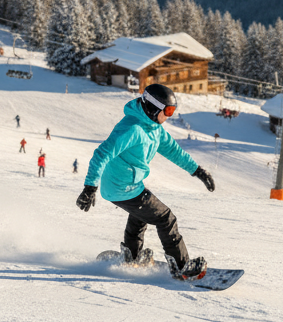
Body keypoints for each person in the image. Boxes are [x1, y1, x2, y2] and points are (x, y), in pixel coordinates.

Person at [75, 83, 215, 281]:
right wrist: (90, 187)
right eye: (167, 110)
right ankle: (182, 267)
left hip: (129, 186)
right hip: (121, 187)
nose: (170, 116)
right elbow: (101, 154)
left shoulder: (154, 128)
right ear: (153, 107)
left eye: (173, 110)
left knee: (140, 215)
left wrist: (198, 171)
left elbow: (174, 151)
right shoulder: (131, 128)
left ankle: (131, 256)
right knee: (166, 218)